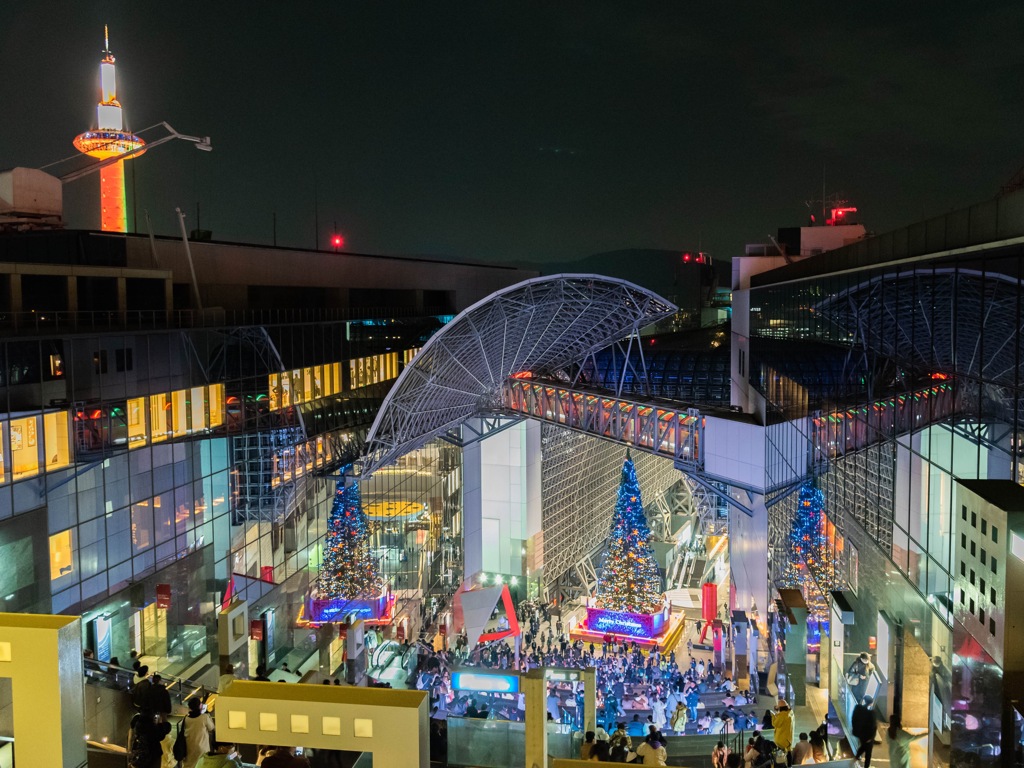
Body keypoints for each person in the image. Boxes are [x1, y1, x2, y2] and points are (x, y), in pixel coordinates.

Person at [182, 697, 215, 768]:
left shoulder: (186, 719)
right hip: (202, 749)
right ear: (200, 706)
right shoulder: (204, 717)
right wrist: (208, 715)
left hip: (189, 748)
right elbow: (211, 727)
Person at [851, 695, 879, 768]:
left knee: (864, 746)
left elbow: (854, 719)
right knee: (868, 753)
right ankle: (865, 765)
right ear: (871, 703)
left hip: (860, 733)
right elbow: (873, 726)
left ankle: (856, 757)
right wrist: (871, 737)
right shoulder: (872, 713)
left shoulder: (858, 708)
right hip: (869, 736)